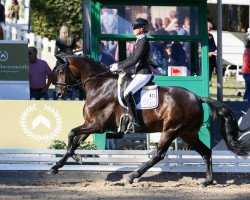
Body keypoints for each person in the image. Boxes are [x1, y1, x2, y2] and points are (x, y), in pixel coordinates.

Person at [109, 18, 153, 131]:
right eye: (133, 27)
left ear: (141, 28)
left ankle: (136, 122)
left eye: (135, 28)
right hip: (139, 72)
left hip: (144, 73)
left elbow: (135, 60)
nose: (133, 30)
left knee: (128, 93)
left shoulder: (143, 41)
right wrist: (118, 65)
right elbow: (131, 58)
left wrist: (119, 67)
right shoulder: (139, 40)